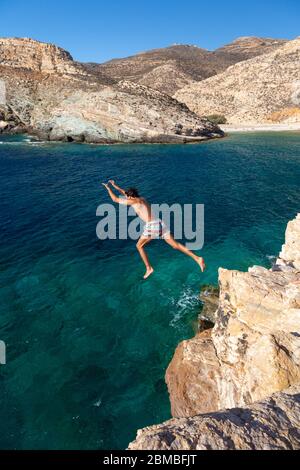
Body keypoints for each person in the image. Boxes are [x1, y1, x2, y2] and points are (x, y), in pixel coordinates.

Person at [102, 180, 206, 279]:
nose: (126, 197)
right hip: (160, 223)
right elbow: (124, 192)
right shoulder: (142, 199)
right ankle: (197, 258)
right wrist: (114, 185)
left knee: (139, 245)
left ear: (130, 197)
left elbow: (115, 199)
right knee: (175, 245)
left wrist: (108, 188)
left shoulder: (133, 202)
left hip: (152, 226)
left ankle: (149, 268)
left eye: (127, 196)